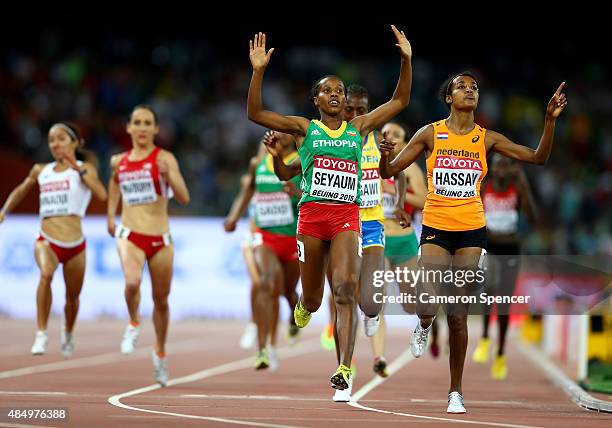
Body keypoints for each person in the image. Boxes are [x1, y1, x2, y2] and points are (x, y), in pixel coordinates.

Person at [380, 72, 567, 413]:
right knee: (427, 303)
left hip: (471, 228)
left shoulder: (487, 139)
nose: (469, 91)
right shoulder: (429, 133)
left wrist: (548, 121)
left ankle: (456, 392)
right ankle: (423, 324)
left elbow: (538, 157)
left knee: (458, 312)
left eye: (474, 87)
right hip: (436, 225)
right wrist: (384, 154)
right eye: (461, 87)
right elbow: (389, 170)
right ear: (448, 97)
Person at [247, 26, 412, 391]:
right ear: (316, 99)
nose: (335, 94)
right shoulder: (304, 129)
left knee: (345, 290)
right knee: (314, 297)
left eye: (340, 90)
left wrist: (406, 59)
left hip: (345, 220)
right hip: (310, 221)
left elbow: (399, 101)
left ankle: (345, 368)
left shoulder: (358, 128)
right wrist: (258, 70)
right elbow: (255, 112)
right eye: (327, 90)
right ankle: (304, 307)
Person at [0, 122, 107, 357]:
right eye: (51, 140)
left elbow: (101, 194)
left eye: (61, 139)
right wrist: (4, 211)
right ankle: (41, 333)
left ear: (75, 143)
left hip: (75, 244)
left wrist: (75, 168)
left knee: (72, 298)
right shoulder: (41, 170)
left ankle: (68, 332)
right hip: (47, 238)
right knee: (46, 273)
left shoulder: (85, 168)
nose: (55, 144)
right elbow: (20, 190)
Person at [107, 105, 190, 387]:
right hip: (130, 234)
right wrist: (110, 215)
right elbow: (114, 186)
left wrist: (169, 175)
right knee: (132, 283)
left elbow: (183, 197)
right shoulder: (118, 161)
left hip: (160, 239)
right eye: (137, 123)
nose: (142, 128)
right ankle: (133, 322)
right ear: (128, 128)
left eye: (148, 123)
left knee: (161, 300)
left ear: (155, 129)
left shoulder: (165, 158)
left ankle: (160, 352)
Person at [225, 132, 301, 370]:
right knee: (267, 284)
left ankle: (293, 318)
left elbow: (315, 198)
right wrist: (234, 217)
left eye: (283, 131)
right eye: (274, 130)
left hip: (293, 238)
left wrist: (296, 193)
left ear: (293, 137)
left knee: (289, 293)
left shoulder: (303, 161)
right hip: (265, 237)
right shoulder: (258, 163)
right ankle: (263, 349)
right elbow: (248, 191)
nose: (277, 134)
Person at [472, 154, 537, 380]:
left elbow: (533, 217)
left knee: (505, 302)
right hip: (491, 248)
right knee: (488, 295)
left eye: (505, 166)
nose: (500, 170)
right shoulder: (485, 187)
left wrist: (524, 184)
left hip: (510, 249)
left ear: (511, 169)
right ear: (492, 169)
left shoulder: (516, 188)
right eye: (497, 166)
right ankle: (484, 337)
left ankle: (500, 352)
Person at [378, 121, 428, 367]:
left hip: (404, 239)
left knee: (410, 305)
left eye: (397, 134)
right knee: (379, 296)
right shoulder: (371, 164)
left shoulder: (412, 169)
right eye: (386, 133)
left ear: (406, 142)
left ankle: (427, 323)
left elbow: (423, 200)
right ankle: (380, 356)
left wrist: (395, 192)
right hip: (377, 238)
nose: (390, 137)